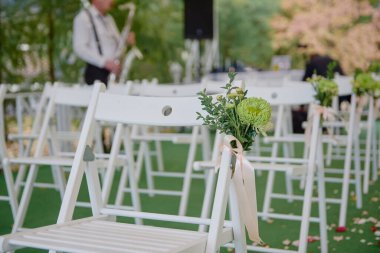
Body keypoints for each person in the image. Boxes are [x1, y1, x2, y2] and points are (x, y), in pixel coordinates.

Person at [73, 0, 134, 85]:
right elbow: (79, 48)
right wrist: (104, 62)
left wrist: (125, 40)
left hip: (113, 72)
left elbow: (118, 44)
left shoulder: (109, 19)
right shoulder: (83, 18)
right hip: (97, 73)